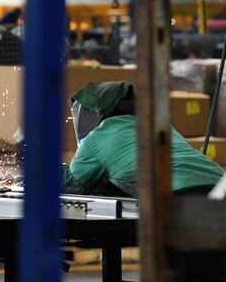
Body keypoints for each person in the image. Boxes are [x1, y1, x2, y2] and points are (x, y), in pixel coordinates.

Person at [63, 81, 224, 196]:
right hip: (219, 186)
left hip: (182, 195)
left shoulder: (96, 138)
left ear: (96, 112)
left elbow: (73, 184)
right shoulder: (159, 126)